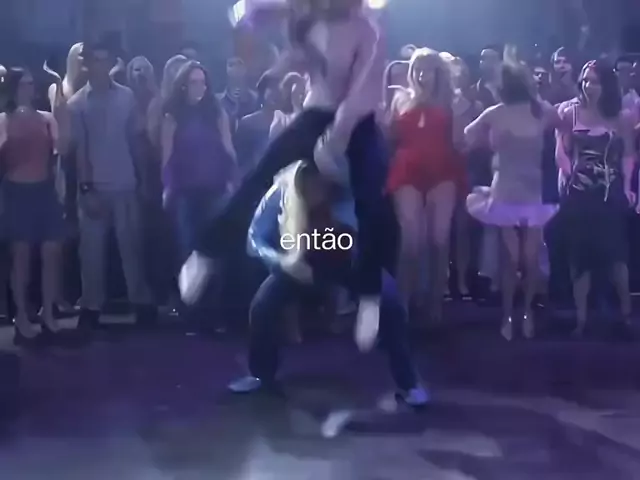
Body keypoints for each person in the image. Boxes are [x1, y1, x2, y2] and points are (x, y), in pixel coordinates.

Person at [182, 0, 393, 351]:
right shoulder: (306, 15)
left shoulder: (367, 31)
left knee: (370, 201)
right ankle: (207, 251)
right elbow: (266, 19)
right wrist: (276, 63)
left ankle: (369, 296)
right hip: (315, 113)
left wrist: (337, 137)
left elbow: (362, 94)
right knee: (259, 176)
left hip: (357, 122)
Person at [227, 160, 428, 407]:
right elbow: (255, 239)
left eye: (321, 185)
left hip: (347, 260)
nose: (316, 191)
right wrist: (282, 262)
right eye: (310, 186)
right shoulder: (280, 193)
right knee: (262, 306)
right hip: (297, 262)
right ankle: (260, 374)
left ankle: (408, 384)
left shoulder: (349, 192)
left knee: (391, 303)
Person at [465, 60, 560, 340]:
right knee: (514, 258)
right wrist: (490, 147)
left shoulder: (539, 110)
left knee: (528, 259)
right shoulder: (498, 113)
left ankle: (525, 311)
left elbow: (565, 126)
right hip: (506, 188)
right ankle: (509, 314)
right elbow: (468, 135)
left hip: (531, 190)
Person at [67, 39, 156, 336]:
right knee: (91, 254)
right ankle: (91, 307)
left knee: (133, 249)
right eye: (96, 60)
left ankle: (141, 303)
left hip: (125, 182)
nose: (102, 66)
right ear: (88, 64)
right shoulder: (77, 103)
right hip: (94, 187)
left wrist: (143, 179)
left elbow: (136, 140)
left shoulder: (126, 97)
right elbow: (80, 152)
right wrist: (86, 189)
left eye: (106, 60)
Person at [556, 60, 636, 337]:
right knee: (580, 258)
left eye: (595, 81)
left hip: (609, 192)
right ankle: (581, 319)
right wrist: (569, 176)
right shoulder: (569, 113)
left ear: (607, 85)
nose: (589, 86)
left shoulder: (621, 117)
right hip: (579, 193)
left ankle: (626, 314)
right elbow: (561, 152)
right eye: (586, 80)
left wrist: (628, 185)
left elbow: (628, 154)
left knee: (616, 257)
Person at [386, 47, 463, 324]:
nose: (421, 75)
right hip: (407, 169)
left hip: (442, 169)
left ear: (437, 73)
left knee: (439, 239)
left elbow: (459, 142)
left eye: (427, 70)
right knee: (412, 241)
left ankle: (435, 305)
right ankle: (402, 304)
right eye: (417, 69)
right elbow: (389, 136)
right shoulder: (399, 97)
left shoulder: (451, 101)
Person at [0, 68, 67, 344]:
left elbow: (59, 154)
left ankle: (49, 313)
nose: (28, 89)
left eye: (30, 84)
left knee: (52, 253)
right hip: (17, 192)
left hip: (45, 191)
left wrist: (60, 191)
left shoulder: (46, 118)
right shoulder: (3, 120)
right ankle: (21, 316)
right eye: (23, 84)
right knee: (22, 257)